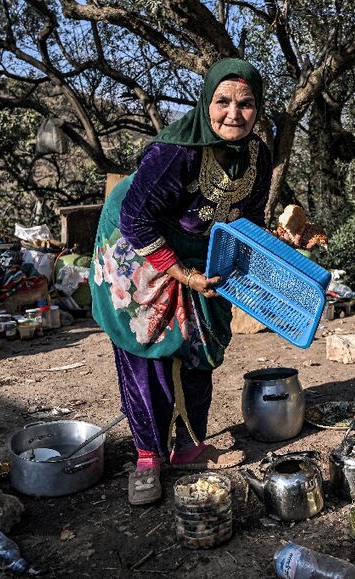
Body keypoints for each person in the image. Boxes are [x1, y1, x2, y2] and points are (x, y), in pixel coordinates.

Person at [90, 58, 271, 505]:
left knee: (201, 342)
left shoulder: (258, 156)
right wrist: (181, 274)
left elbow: (249, 220)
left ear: (258, 108)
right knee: (147, 349)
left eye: (246, 104)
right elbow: (135, 217)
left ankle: (189, 445)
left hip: (199, 250)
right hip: (138, 247)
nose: (234, 113)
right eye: (223, 101)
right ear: (206, 102)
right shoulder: (176, 152)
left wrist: (262, 273)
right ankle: (148, 456)